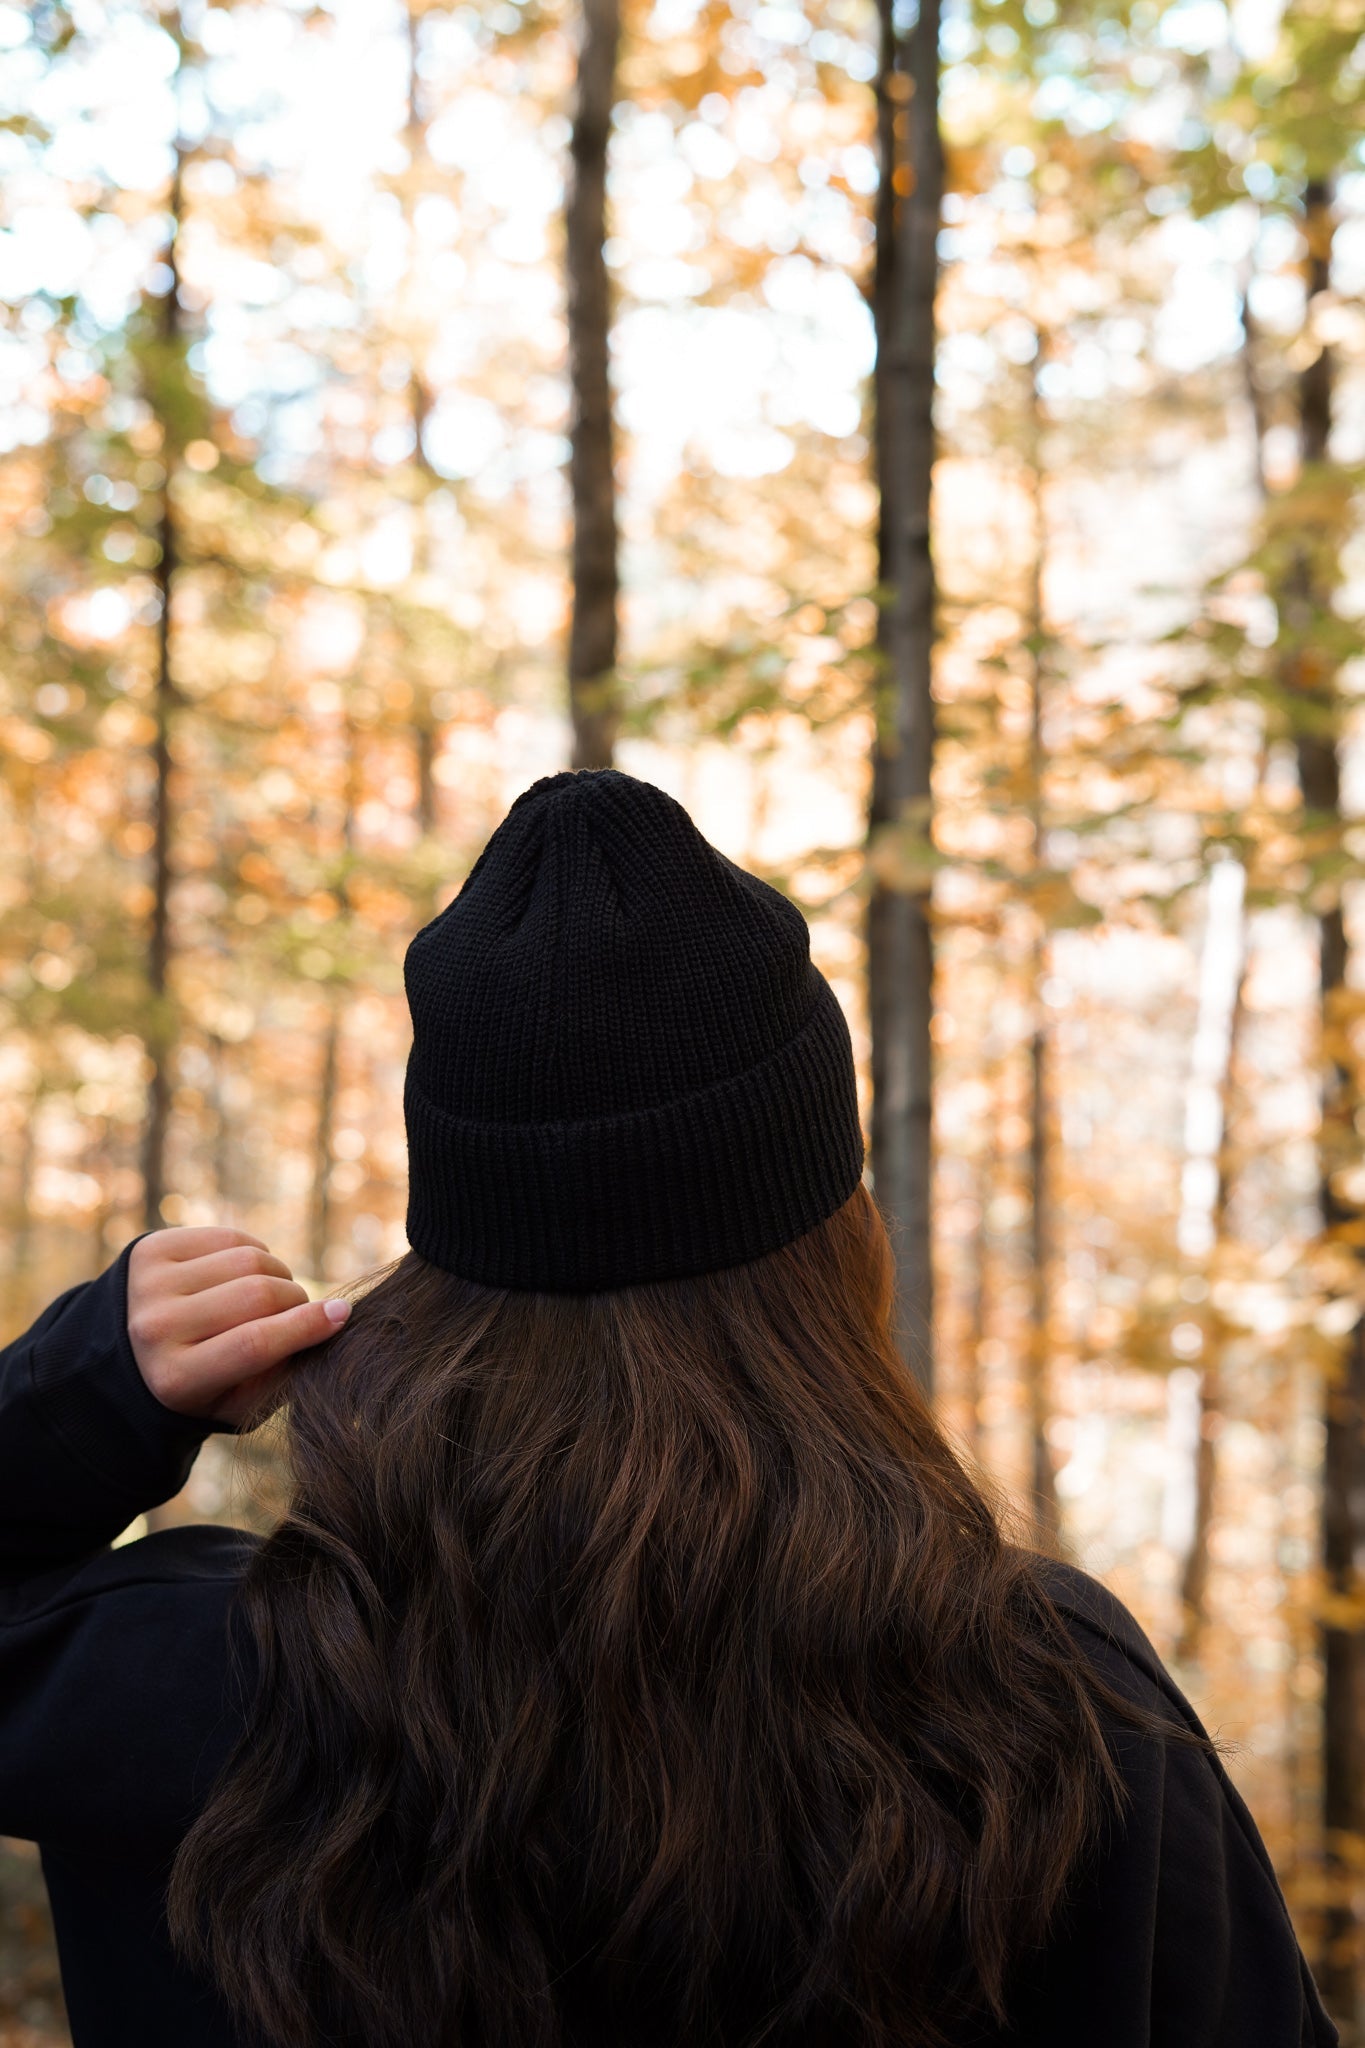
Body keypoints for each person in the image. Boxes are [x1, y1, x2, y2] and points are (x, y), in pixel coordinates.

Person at [0, 767, 1337, 2048]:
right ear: (840, 1244)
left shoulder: (201, 1681)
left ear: (438, 1268)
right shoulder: (1047, 1696)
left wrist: (80, 1397)